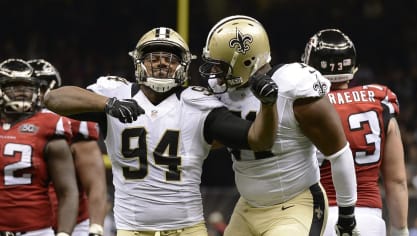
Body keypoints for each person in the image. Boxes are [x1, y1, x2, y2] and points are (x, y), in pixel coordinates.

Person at [43, 27, 278, 236]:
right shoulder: (116, 93)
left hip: (187, 228)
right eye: (154, 58)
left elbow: (258, 139)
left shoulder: (198, 103)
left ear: (184, 66)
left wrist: (268, 105)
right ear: (138, 63)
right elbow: (54, 98)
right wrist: (107, 104)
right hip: (131, 228)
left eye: (171, 59)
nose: (163, 63)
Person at [199, 15, 359, 236]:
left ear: (245, 61)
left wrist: (347, 215)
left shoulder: (293, 86)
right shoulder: (223, 91)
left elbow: (339, 152)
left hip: (293, 206)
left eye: (221, 64)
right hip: (247, 206)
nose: (215, 72)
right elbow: (209, 141)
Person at [302, 28, 409, 236]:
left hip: (315, 218)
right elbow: (396, 180)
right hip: (369, 219)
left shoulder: (303, 106)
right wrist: (400, 229)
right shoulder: (379, 103)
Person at [28, 59, 108, 236]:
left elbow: (95, 184)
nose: (26, 93)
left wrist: (95, 227)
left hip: (72, 223)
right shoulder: (8, 125)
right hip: (26, 223)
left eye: (36, 87)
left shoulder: (72, 124)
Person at [0, 58, 79, 236]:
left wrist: (64, 233)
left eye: (27, 86)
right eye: (14, 86)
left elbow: (68, 191)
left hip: (36, 230)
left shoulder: (48, 125)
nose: (23, 92)